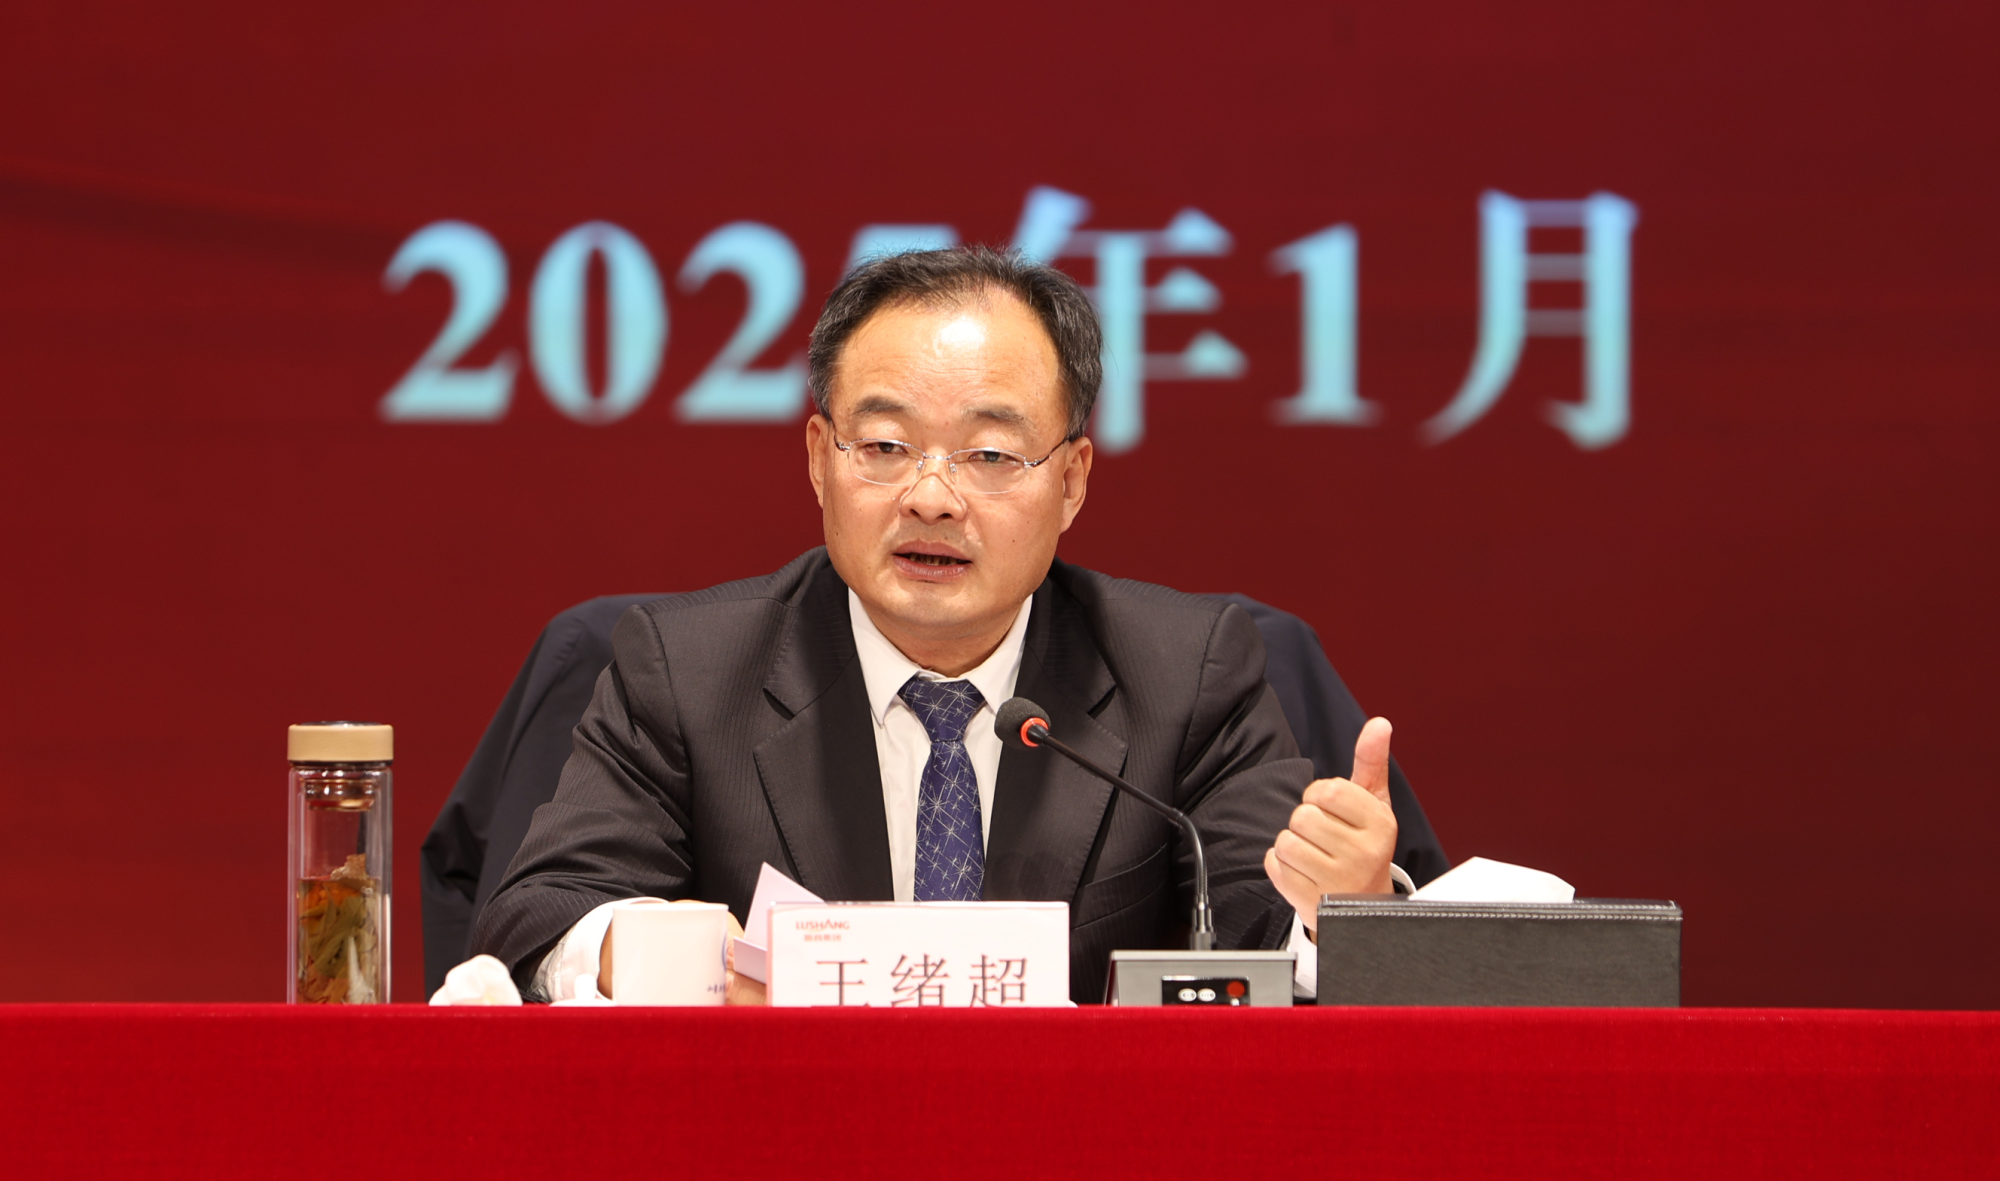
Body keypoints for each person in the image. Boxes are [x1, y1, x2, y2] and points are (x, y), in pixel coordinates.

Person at [471, 246, 1410, 1004]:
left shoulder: (1185, 673)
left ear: (1072, 480)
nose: (931, 497)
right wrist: (645, 947)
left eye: (990, 454)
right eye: (885, 445)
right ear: (819, 458)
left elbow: (1264, 938)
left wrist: (1344, 910)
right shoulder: (689, 670)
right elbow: (537, 912)